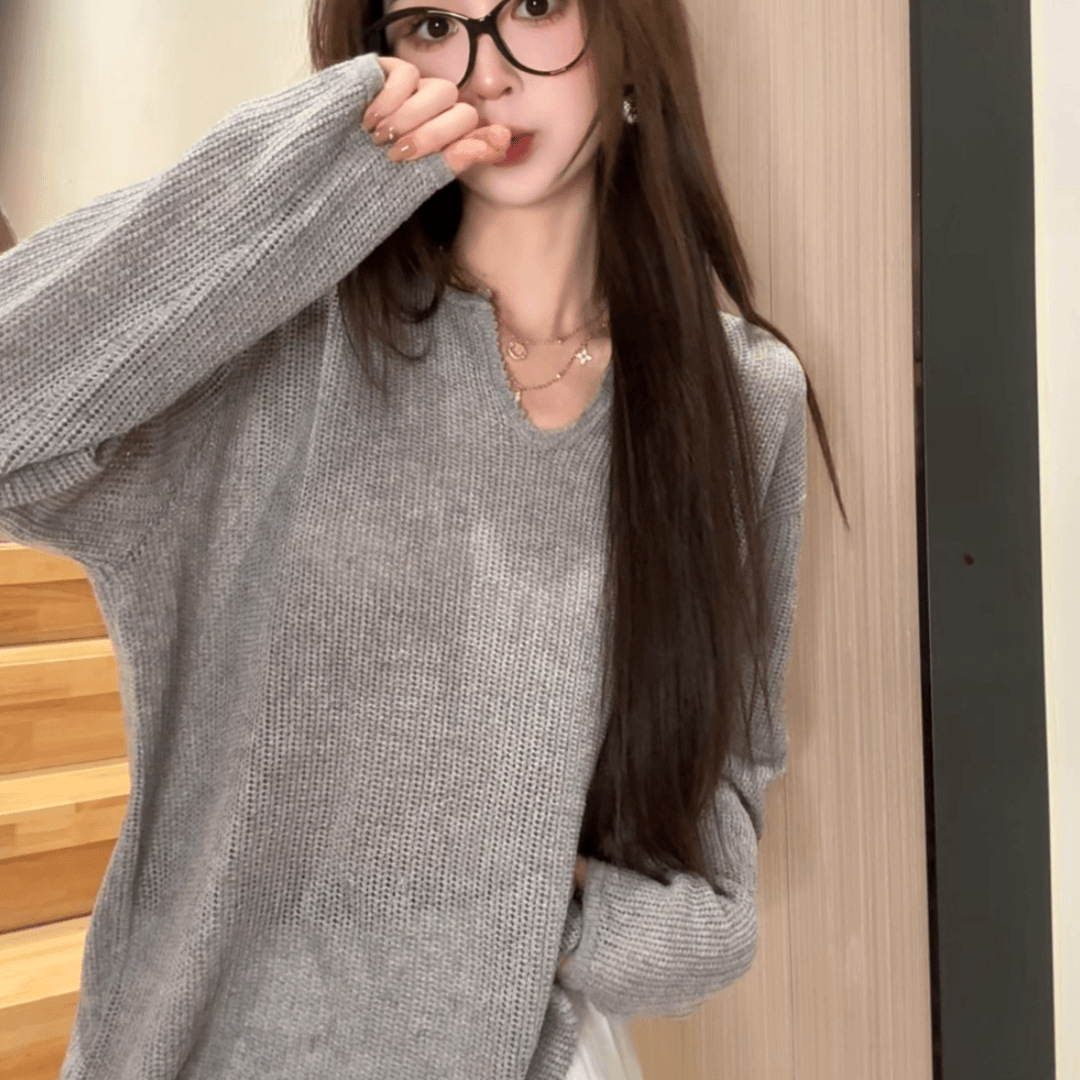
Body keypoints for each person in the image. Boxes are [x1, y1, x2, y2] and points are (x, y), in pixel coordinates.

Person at [0, 0, 845, 1077]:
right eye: (432, 26)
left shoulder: (739, 400)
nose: (486, 73)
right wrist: (323, 162)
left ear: (632, 39)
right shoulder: (278, 350)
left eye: (533, 6)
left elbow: (716, 882)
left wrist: (542, 902)